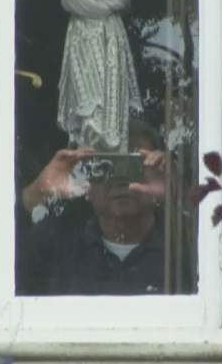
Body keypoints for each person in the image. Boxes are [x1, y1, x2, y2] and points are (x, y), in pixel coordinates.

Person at [16, 124, 177, 296]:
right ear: (88, 184)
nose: (121, 180)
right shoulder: (59, 244)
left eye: (134, 166)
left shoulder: (179, 247)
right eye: (106, 166)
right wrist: (35, 193)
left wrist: (177, 194)